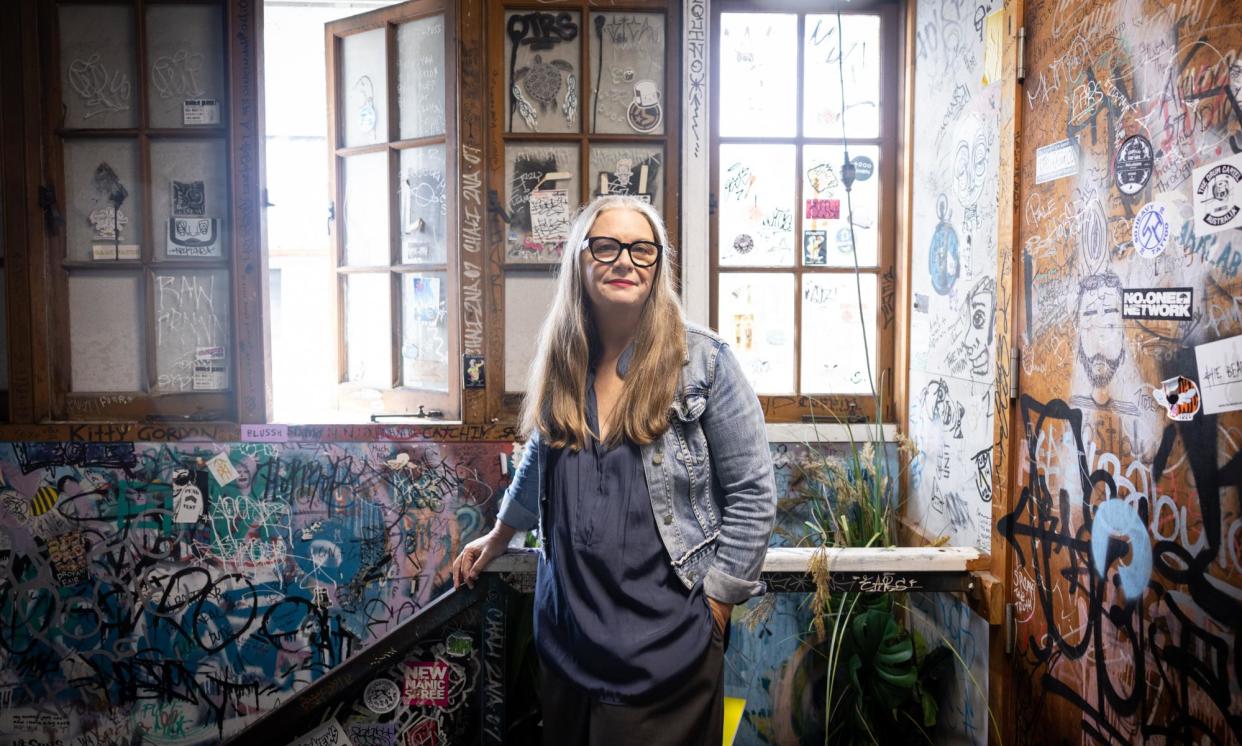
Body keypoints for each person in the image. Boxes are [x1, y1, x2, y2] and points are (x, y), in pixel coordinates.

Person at [451, 194, 776, 745]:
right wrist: (501, 534)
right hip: (567, 640)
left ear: (658, 264)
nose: (624, 260)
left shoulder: (705, 362)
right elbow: (541, 456)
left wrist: (718, 604)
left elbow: (753, 493)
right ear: (580, 260)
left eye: (641, 249)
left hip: (669, 649)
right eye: (606, 246)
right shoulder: (564, 357)